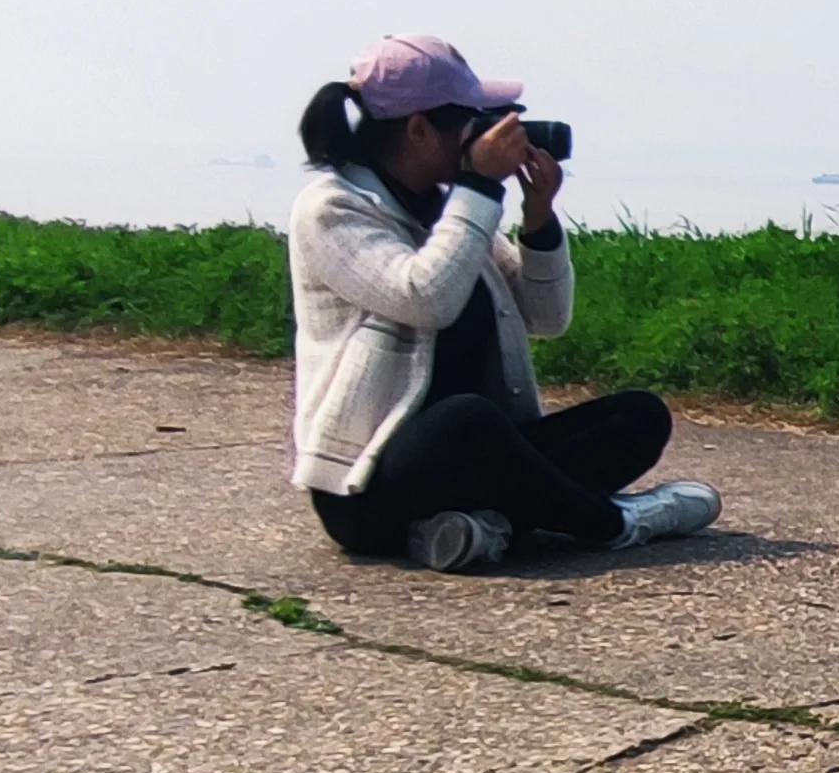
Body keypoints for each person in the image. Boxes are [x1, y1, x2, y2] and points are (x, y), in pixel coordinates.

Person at [286, 34, 722, 570]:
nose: (489, 134)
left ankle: (474, 530)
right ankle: (616, 524)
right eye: (475, 121)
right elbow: (425, 297)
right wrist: (480, 187)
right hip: (369, 487)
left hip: (482, 461)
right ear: (419, 129)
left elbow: (548, 318)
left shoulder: (446, 210)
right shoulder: (332, 210)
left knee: (638, 416)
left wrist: (538, 220)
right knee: (467, 421)